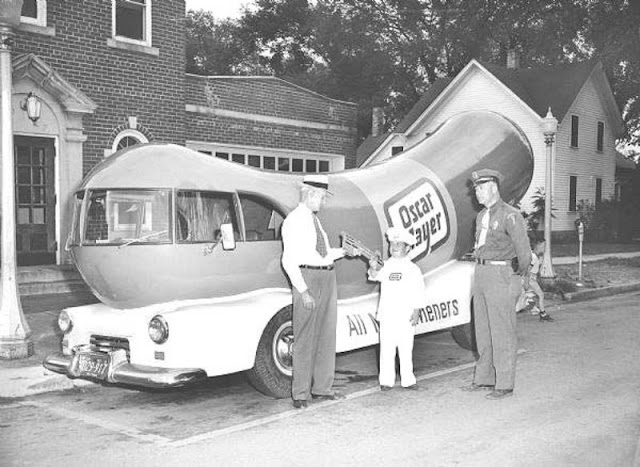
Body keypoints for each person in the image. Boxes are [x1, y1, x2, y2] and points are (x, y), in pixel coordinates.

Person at [281, 174, 355, 409]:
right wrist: (303, 290)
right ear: (310, 193)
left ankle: (322, 388)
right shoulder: (293, 221)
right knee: (304, 337)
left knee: (326, 335)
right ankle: (300, 394)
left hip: (326, 275)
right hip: (308, 278)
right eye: (322, 197)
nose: (323, 203)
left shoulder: (315, 221)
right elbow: (289, 260)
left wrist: (344, 252)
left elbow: (321, 254)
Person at [462, 168, 532, 400]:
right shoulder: (481, 216)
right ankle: (484, 378)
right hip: (481, 272)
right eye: (476, 189)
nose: (477, 194)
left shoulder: (511, 215)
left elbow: (524, 253)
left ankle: (504, 383)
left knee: (502, 331)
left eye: (480, 189)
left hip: (501, 274)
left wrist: (520, 282)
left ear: (493, 187)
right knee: (482, 330)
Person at [367, 227, 425, 391]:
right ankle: (386, 380)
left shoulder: (413, 269)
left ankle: (408, 379)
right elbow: (373, 275)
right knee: (386, 348)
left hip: (405, 315)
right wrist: (373, 266)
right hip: (387, 315)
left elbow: (419, 291)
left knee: (406, 348)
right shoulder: (385, 265)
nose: (395, 246)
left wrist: (417, 310)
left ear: (408, 248)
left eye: (399, 243)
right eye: (392, 243)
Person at [527, 240, 554, 322]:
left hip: (531, 278)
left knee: (532, 296)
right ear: (538, 246)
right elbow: (528, 269)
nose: (544, 249)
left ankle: (534, 307)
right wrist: (528, 279)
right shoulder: (533, 257)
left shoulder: (534, 255)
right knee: (540, 295)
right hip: (530, 279)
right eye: (543, 247)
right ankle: (543, 314)